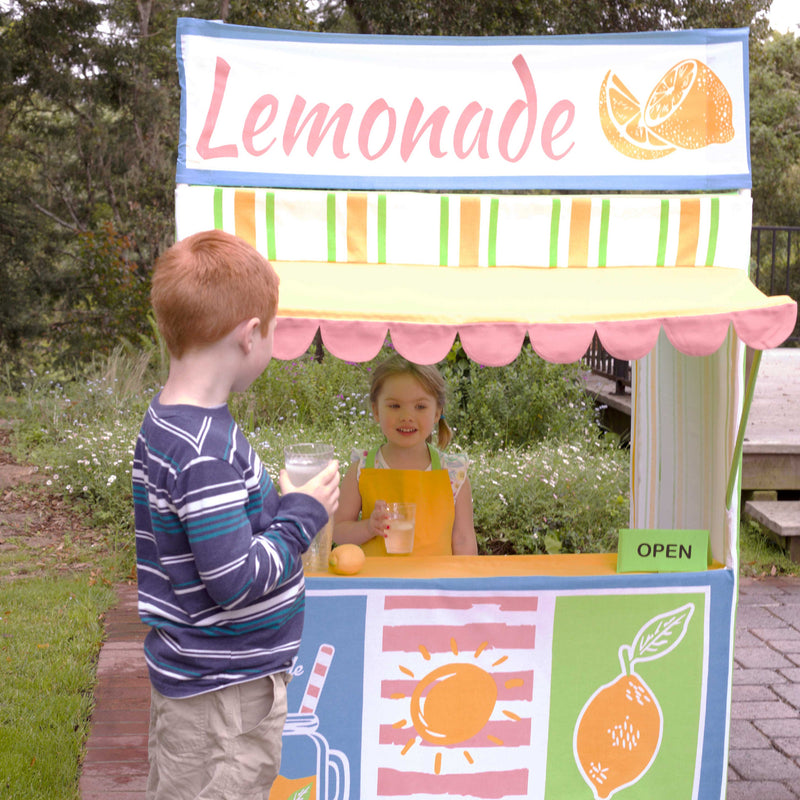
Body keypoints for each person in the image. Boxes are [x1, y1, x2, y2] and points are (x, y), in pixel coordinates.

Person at [132, 229, 339, 800]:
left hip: (203, 686)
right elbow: (234, 582)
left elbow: (205, 534)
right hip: (225, 697)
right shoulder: (205, 449)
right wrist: (302, 515)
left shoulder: (172, 421)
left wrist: (265, 507)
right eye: (272, 333)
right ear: (250, 336)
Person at [334, 354, 477, 556]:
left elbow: (463, 540)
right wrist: (367, 528)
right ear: (376, 410)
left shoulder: (454, 473)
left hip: (434, 586)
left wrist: (465, 586)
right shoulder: (363, 468)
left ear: (437, 412)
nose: (407, 417)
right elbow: (338, 530)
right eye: (394, 406)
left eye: (420, 406)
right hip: (378, 586)